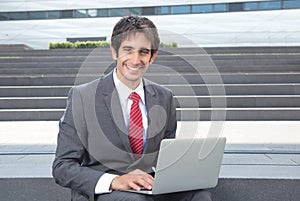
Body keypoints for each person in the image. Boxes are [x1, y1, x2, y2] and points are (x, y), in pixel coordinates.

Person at [52, 15, 212, 201]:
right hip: (107, 191)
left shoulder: (164, 97)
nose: (136, 60)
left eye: (143, 52)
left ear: (153, 56)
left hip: (147, 187)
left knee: (199, 196)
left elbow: (164, 159)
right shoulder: (83, 96)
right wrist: (115, 181)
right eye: (128, 50)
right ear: (114, 52)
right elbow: (62, 166)